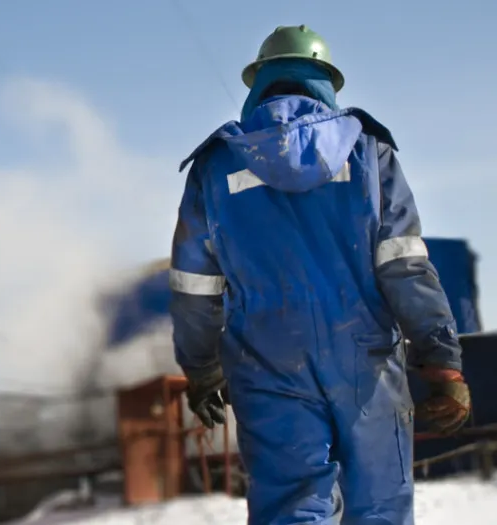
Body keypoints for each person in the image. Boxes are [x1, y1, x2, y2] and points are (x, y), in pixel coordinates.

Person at [168, 25, 472, 525]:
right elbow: (404, 266)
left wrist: (201, 367)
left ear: (260, 84)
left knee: (292, 508)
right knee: (379, 510)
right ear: (326, 82)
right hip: (365, 360)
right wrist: (442, 362)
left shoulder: (216, 166)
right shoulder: (369, 152)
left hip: (267, 362)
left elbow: (194, 284)